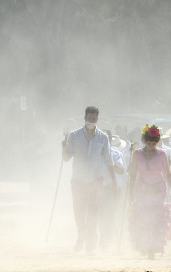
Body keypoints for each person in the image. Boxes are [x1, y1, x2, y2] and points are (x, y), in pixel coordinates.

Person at [61, 106, 115, 254]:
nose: (91, 120)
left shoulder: (103, 137)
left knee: (93, 212)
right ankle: (81, 236)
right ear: (85, 118)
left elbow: (109, 161)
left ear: (97, 119)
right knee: (79, 212)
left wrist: (114, 182)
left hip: (95, 180)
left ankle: (90, 243)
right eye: (89, 118)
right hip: (78, 180)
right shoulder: (74, 135)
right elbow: (66, 158)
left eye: (94, 118)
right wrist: (63, 148)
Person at [127, 124, 171, 259]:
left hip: (158, 190)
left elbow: (168, 174)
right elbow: (133, 175)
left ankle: (153, 247)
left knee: (155, 219)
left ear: (157, 143)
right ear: (144, 141)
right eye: (148, 143)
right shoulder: (137, 153)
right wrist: (131, 193)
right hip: (142, 190)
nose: (151, 146)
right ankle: (144, 245)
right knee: (144, 218)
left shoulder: (161, 154)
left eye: (153, 143)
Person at [99, 130, 126, 251]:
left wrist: (111, 163)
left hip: (113, 188)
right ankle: (99, 239)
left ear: (110, 140)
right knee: (99, 214)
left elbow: (121, 170)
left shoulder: (116, 154)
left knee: (109, 214)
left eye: (107, 138)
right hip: (98, 188)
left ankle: (106, 240)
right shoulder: (94, 154)